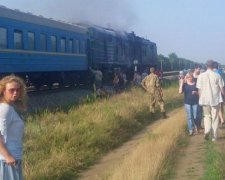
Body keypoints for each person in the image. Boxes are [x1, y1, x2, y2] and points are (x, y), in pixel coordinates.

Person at [0, 75, 27, 180]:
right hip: (7, 160)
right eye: (11, 90)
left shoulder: (10, 107)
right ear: (3, 91)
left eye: (18, 90)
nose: (15, 93)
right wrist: (8, 156)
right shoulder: (4, 109)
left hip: (13, 157)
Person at [196, 60, 225, 141]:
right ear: (213, 66)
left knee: (206, 116)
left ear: (206, 65)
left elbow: (199, 89)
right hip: (215, 100)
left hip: (204, 99)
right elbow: (222, 89)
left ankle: (207, 130)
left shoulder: (201, 76)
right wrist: (224, 97)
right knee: (215, 118)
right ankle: (214, 137)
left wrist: (200, 98)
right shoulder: (217, 76)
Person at [212, 61, 225, 125]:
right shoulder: (222, 72)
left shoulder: (213, 74)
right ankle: (221, 118)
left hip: (216, 92)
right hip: (223, 90)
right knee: (221, 106)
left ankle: (220, 119)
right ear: (217, 66)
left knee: (217, 106)